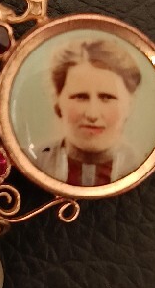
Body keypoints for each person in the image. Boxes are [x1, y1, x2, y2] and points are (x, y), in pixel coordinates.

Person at [27, 38, 142, 186]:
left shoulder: (141, 167)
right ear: (58, 100)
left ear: (129, 104)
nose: (92, 115)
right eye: (80, 97)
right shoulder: (31, 163)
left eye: (107, 97)